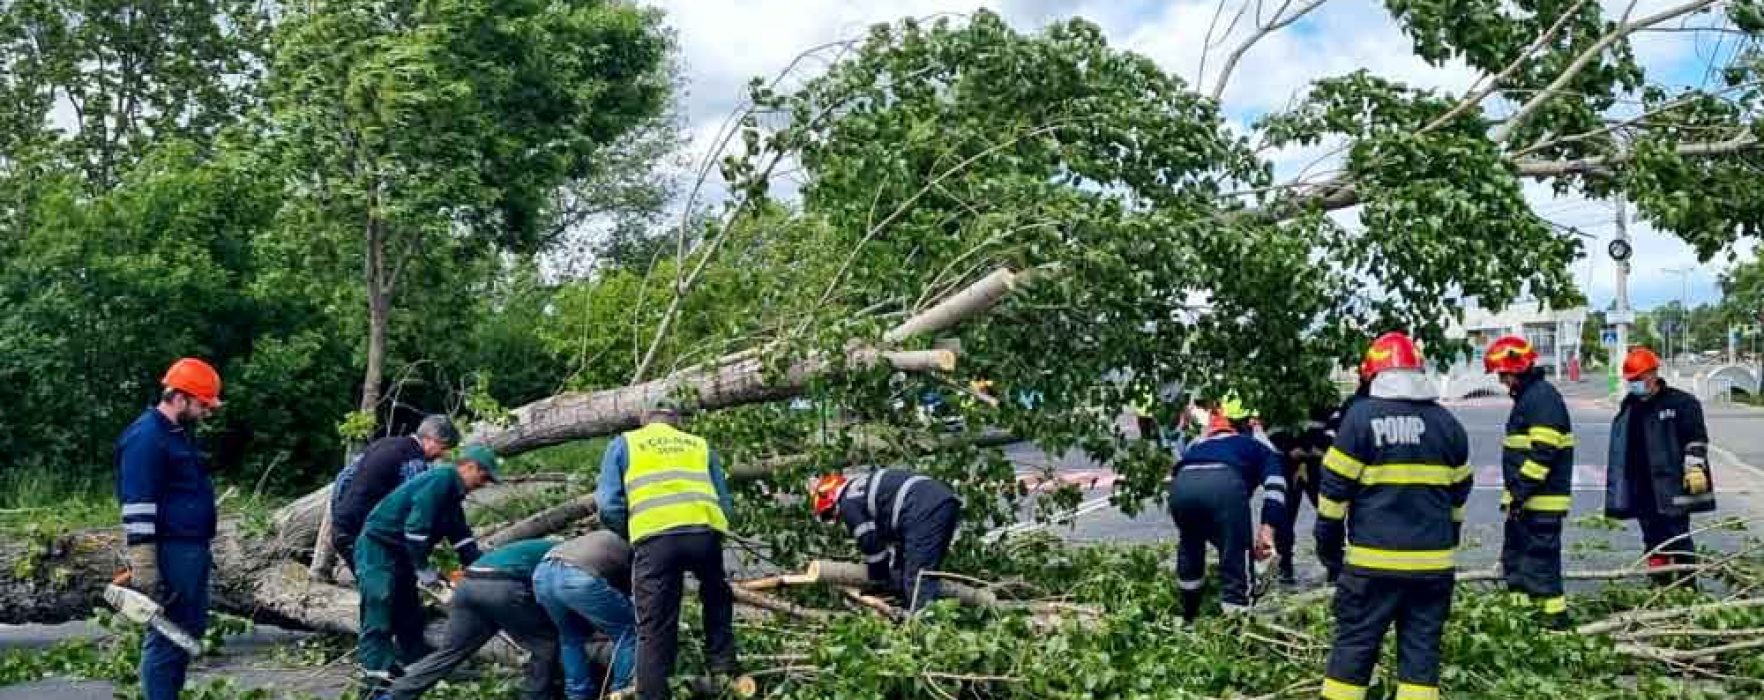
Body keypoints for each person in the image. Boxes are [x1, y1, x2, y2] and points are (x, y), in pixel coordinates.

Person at [1316, 332, 1471, 700]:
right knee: (1421, 661)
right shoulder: (1447, 425)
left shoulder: (1359, 419)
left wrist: (1330, 553)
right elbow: (1459, 493)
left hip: (1372, 568)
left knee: (1354, 652)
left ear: (1375, 374)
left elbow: (1333, 494)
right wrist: (1448, 539)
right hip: (1433, 568)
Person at [597, 398, 738, 700]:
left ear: (644, 421)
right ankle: (724, 672)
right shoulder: (698, 444)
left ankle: (654, 693)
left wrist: (633, 530)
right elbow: (724, 502)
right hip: (704, 532)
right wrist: (716, 532)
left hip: (655, 538)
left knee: (654, 622)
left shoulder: (625, 444)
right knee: (716, 597)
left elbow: (607, 505)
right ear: (677, 422)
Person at [117, 358, 223, 700]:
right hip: (170, 548)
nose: (207, 412)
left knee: (185, 631)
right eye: (203, 405)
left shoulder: (174, 434)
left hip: (190, 548)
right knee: (168, 635)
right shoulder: (146, 437)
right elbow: (138, 502)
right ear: (180, 397)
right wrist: (144, 561)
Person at [355, 445, 498, 689]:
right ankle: (374, 681)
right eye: (483, 477)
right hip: (378, 547)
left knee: (409, 608)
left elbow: (461, 536)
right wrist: (423, 569)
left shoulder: (453, 494)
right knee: (380, 603)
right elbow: (416, 530)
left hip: (400, 553)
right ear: (469, 467)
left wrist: (482, 571)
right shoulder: (441, 480)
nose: (483, 484)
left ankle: (414, 667)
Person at [375, 538, 559, 700]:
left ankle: (394, 695)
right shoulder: (567, 558)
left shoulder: (550, 548)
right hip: (501, 587)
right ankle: (536, 695)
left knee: (450, 653)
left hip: (468, 585)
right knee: (545, 645)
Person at [1485, 336, 1574, 626]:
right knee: (1517, 563)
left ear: (1516, 370)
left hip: (1540, 503)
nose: (1502, 381)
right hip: (1528, 502)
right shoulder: (1530, 398)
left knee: (1540, 567)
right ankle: (1522, 620)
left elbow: (1543, 454)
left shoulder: (1541, 399)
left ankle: (1552, 623)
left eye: (1503, 374)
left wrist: (1519, 493)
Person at [1607, 347, 1714, 586]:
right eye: (1630, 380)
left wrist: (1695, 467)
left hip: (1672, 487)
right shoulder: (1630, 406)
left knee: (1678, 539)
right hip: (1643, 488)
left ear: (1653, 374)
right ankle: (1660, 586)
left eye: (1638, 379)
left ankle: (1687, 588)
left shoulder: (1681, 403)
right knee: (1652, 541)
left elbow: (1696, 438)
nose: (1633, 384)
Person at [1167, 411, 1286, 621]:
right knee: (1236, 555)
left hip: (1182, 486)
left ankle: (1188, 616)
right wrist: (1268, 529)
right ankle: (1236, 624)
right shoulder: (1259, 448)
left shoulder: (1198, 446)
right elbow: (1276, 488)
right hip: (1224, 484)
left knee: (1190, 546)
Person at [809, 467, 962, 611]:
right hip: (940, 502)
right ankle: (912, 613)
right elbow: (897, 547)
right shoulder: (862, 491)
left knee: (918, 578)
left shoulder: (847, 501)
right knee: (915, 572)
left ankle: (925, 628)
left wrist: (877, 576)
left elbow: (870, 542)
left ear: (831, 498)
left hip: (922, 509)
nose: (836, 519)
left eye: (828, 514)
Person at [329, 414, 461, 574]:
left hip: (342, 528)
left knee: (375, 588)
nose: (442, 455)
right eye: (443, 448)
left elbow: (343, 478)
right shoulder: (414, 462)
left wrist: (339, 515)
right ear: (431, 440)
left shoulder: (383, 444)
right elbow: (416, 509)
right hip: (364, 535)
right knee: (389, 589)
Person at [534, 531, 638, 699]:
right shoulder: (627, 551)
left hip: (542, 576)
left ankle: (577, 693)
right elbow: (630, 591)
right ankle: (622, 691)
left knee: (570, 638)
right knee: (628, 630)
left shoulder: (593, 539)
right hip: (577, 577)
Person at [1266, 405, 1332, 585]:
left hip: (1317, 462)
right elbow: (1270, 425)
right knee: (1284, 518)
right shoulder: (1277, 393)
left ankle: (1334, 565)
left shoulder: (1322, 393)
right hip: (1288, 462)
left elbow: (1334, 423)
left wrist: (1318, 446)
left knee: (1330, 514)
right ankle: (1284, 567)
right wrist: (1289, 448)